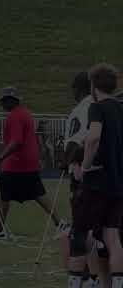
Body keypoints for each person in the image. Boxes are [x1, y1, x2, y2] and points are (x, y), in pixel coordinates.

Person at [0, 87, 68, 240]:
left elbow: (16, 142)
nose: (1, 104)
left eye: (4, 101)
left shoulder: (15, 116)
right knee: (39, 194)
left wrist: (0, 157)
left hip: (15, 164)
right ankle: (61, 224)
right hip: (28, 163)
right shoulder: (25, 113)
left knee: (2, 196)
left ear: (12, 101)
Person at [67, 64, 123, 288]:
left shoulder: (97, 108)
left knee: (80, 232)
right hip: (117, 182)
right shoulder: (120, 108)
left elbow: (93, 138)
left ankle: (78, 282)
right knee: (112, 236)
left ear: (93, 85)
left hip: (97, 181)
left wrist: (86, 166)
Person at [57, 72, 106, 287]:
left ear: (78, 90)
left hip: (81, 175)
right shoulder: (100, 107)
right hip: (102, 175)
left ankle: (84, 278)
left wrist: (65, 161)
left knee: (81, 228)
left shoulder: (81, 110)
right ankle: (96, 276)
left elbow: (75, 144)